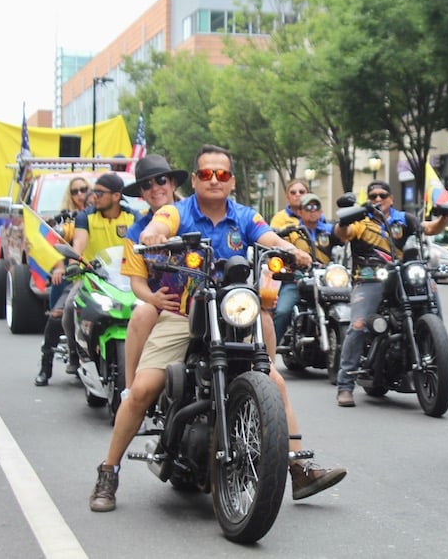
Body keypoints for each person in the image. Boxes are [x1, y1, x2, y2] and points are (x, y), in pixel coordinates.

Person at [89, 145, 346, 512]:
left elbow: (266, 236)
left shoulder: (244, 215)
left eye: (221, 174)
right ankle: (109, 470)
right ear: (194, 179)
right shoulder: (175, 212)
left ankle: (298, 467)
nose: (214, 180)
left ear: (232, 181)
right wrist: (154, 234)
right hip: (182, 313)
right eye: (206, 174)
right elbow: (161, 224)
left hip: (232, 314)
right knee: (144, 387)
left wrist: (290, 249)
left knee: (273, 379)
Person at [332, 179, 448, 408]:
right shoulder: (361, 220)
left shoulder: (404, 219)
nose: (378, 199)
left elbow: (429, 228)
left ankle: (435, 343)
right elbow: (343, 233)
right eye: (373, 196)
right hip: (369, 279)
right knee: (358, 325)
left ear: (391, 199)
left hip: (401, 277)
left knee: (431, 288)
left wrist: (444, 218)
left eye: (382, 196)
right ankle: (345, 386)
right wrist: (344, 219)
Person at [35, 174, 136, 385]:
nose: (93, 196)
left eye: (99, 193)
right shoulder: (85, 217)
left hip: (126, 279)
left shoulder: (133, 217)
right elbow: (79, 243)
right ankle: (73, 355)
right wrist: (74, 263)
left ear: (116, 196)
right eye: (93, 192)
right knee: (69, 308)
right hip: (92, 277)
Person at [119, 154, 188, 392]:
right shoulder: (135, 232)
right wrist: (153, 299)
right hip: (165, 306)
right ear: (141, 193)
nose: (155, 188)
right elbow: (137, 282)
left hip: (204, 302)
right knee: (142, 313)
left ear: (172, 183)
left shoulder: (194, 215)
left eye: (160, 180)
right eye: (146, 185)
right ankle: (131, 389)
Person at [33, 176, 91, 386]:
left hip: (105, 277)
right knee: (58, 314)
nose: (79, 195)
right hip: (75, 275)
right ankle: (45, 365)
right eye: (74, 191)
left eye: (83, 189)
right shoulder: (64, 220)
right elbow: (52, 244)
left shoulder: (102, 216)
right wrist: (58, 266)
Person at [269, 178, 313, 344]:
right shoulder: (280, 218)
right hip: (292, 275)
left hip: (317, 275)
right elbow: (272, 242)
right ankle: (268, 353)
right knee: (282, 311)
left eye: (302, 192)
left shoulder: (316, 215)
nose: (298, 195)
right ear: (287, 197)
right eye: (293, 192)